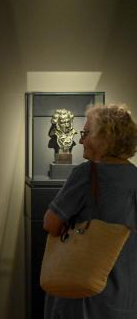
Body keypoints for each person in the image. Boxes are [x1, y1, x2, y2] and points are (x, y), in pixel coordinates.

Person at [43, 104, 137, 318]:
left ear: (104, 138)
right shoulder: (134, 176)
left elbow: (51, 224)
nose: (80, 140)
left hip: (87, 295)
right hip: (125, 295)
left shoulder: (86, 174)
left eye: (85, 133)